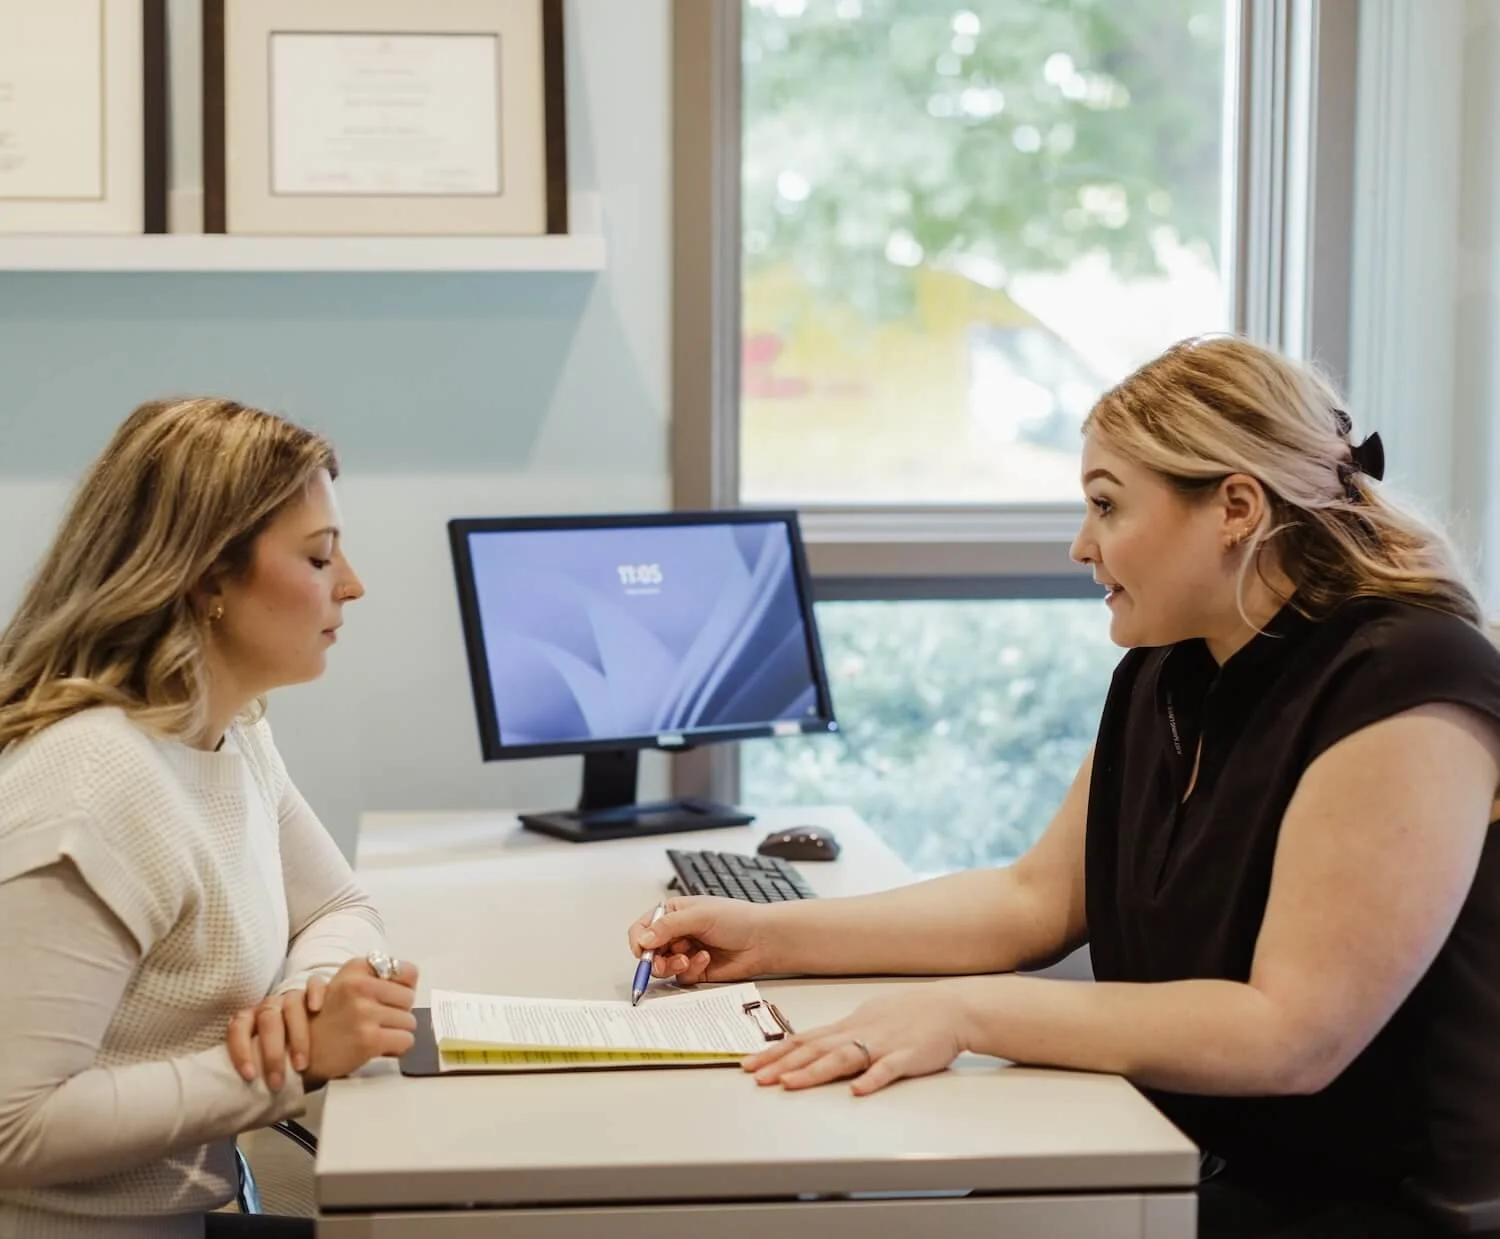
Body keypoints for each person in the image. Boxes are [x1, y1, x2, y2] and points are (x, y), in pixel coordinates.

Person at [628, 337, 1500, 1238]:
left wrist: (967, 1012)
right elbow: (1031, 899)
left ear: (1236, 506)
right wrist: (767, 940)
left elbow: (1293, 1032)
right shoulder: (1169, 671)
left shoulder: (1409, 677)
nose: (1082, 545)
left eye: (1106, 506)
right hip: (1184, 1153)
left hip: (1368, 1206)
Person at [0, 398, 421, 1239]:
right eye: (317, 557)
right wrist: (295, 1060)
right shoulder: (92, 785)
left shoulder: (229, 726)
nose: (352, 584)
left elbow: (341, 908)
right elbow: (17, 1126)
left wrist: (305, 1004)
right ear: (204, 579)